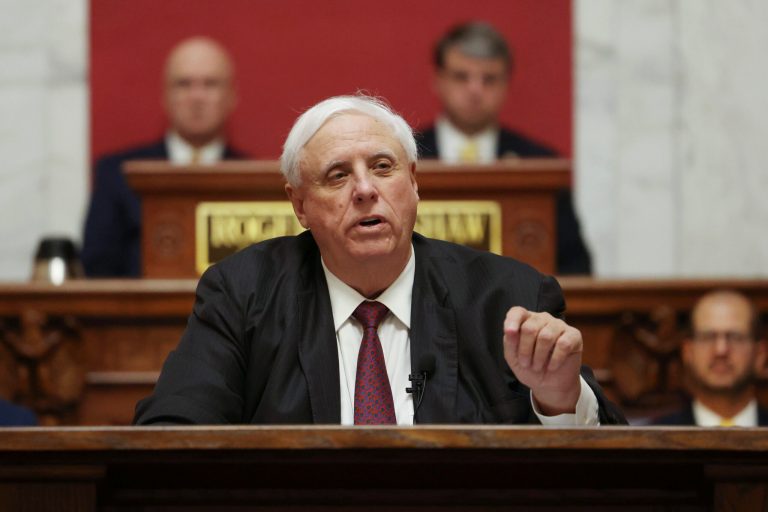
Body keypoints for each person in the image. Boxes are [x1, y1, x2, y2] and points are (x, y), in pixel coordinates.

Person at [133, 95, 625, 426]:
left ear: (413, 183)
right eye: (337, 175)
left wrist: (559, 400)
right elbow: (172, 432)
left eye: (383, 168)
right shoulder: (244, 294)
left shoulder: (505, 298)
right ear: (300, 205)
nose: (366, 190)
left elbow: (611, 471)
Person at [415, 22, 592, 275]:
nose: (475, 90)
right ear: (438, 80)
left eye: (489, 79)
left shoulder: (539, 166)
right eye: (461, 77)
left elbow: (576, 268)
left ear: (506, 85)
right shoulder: (405, 158)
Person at [82, 36, 244, 277]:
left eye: (210, 84)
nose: (196, 97)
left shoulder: (252, 178)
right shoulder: (119, 173)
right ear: (165, 96)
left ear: (231, 96)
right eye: (184, 84)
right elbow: (96, 266)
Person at [653, 290, 768, 426]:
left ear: (760, 353)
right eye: (708, 337)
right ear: (688, 351)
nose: (721, 350)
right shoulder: (651, 437)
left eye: (735, 337)